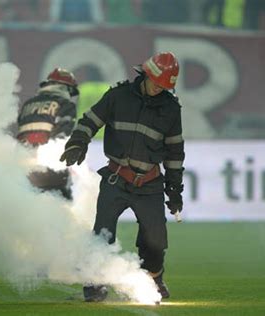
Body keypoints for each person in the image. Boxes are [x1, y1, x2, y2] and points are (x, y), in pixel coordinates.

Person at [60, 52, 184, 301]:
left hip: (150, 184)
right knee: (102, 234)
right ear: (147, 74)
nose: (160, 89)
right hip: (116, 179)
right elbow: (90, 120)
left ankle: (154, 278)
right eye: (158, 83)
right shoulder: (118, 96)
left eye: (165, 86)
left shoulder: (171, 109)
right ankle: (95, 283)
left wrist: (174, 190)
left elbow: (174, 152)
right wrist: (77, 143)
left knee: (156, 241)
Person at [17, 68, 79, 200]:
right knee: (62, 209)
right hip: (51, 168)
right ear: (65, 88)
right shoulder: (65, 104)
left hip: (25, 167)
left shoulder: (28, 105)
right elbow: (63, 135)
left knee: (30, 209)